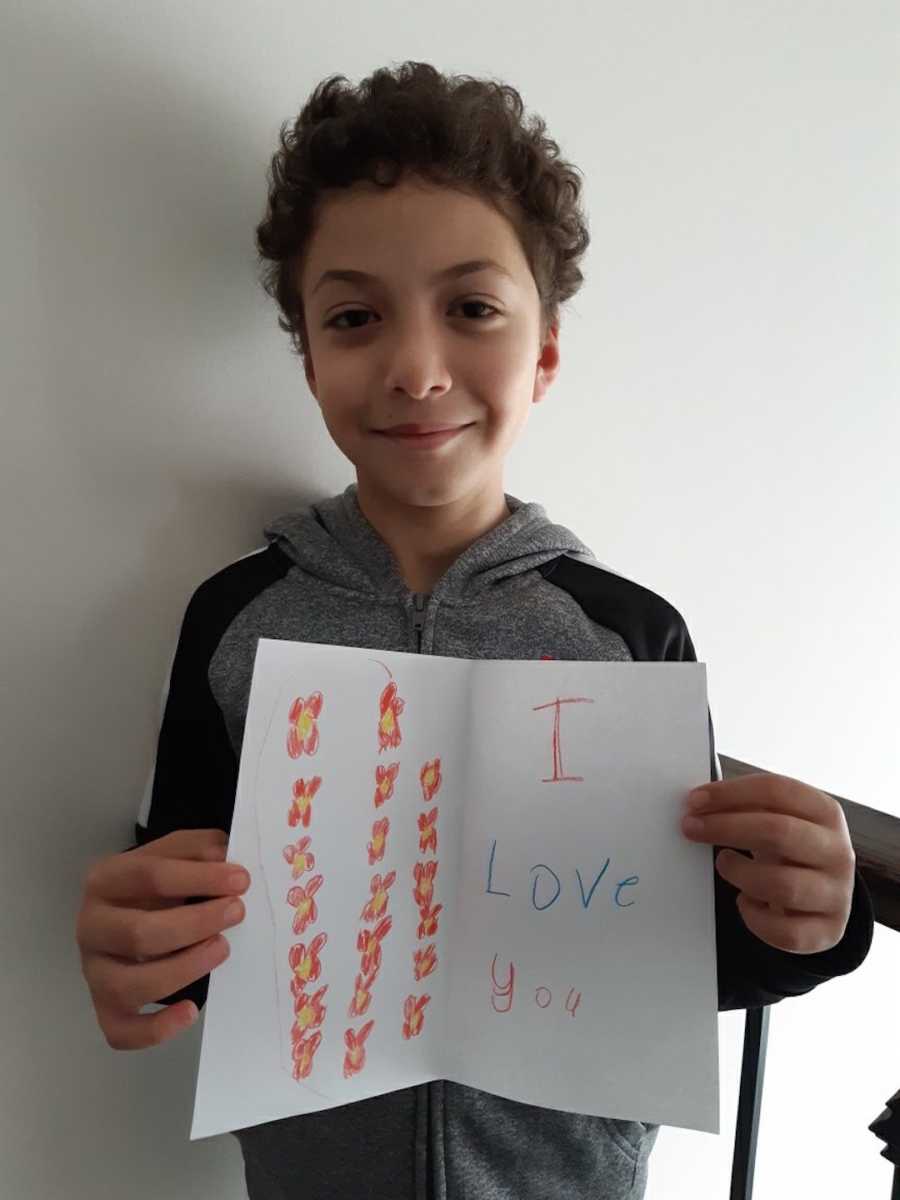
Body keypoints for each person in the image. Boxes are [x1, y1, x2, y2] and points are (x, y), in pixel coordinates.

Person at [75, 61, 874, 1200]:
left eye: (472, 308)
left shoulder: (628, 634)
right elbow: (204, 929)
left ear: (543, 352)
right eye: (354, 317)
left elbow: (673, 959)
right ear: (308, 358)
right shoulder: (237, 621)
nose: (414, 367)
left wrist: (813, 925)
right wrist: (139, 958)